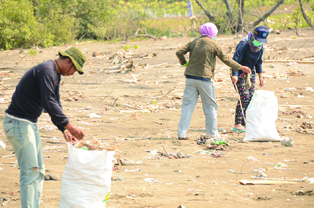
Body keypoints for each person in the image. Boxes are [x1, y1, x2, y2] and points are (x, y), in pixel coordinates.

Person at [3, 46, 86, 208]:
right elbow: (49, 103)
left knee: (38, 171)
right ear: (68, 61)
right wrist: (70, 127)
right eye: (74, 69)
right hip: (18, 123)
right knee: (30, 172)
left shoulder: (54, 73)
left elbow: (55, 103)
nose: (73, 73)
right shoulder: (47, 70)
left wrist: (63, 130)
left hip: (28, 123)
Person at [175, 22, 251, 140]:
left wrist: (185, 63)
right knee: (210, 107)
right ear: (213, 33)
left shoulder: (194, 42)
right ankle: (212, 134)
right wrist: (241, 67)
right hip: (205, 79)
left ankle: (182, 134)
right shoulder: (213, 44)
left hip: (190, 78)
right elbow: (226, 59)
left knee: (187, 107)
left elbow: (179, 52)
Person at [230, 26, 269, 132]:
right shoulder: (243, 45)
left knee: (251, 98)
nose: (259, 43)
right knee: (244, 96)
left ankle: (246, 122)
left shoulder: (260, 47)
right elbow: (235, 60)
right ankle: (238, 123)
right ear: (253, 36)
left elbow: (258, 62)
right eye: (258, 40)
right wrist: (234, 75)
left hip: (250, 74)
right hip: (239, 73)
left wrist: (261, 76)